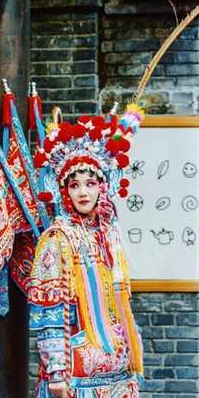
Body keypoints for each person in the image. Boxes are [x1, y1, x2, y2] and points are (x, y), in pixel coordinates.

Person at [29, 110, 144, 398]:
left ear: (102, 187)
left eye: (90, 183)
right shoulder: (57, 238)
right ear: (64, 190)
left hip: (118, 363)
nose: (82, 192)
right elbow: (50, 309)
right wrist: (56, 370)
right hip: (76, 367)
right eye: (74, 185)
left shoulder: (108, 232)